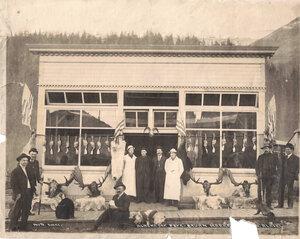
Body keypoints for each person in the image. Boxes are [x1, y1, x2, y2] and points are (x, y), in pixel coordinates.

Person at [9, 153, 35, 231]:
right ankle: (13, 227)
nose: (25, 162)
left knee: (26, 210)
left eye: (26, 160)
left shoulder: (28, 169)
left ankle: (23, 227)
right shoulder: (15, 171)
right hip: (20, 194)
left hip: (28, 192)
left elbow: (31, 180)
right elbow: (13, 183)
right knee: (17, 210)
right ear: (20, 161)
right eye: (23, 160)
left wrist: (33, 190)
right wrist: (18, 193)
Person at [275, 143, 299, 208]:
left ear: (292, 150)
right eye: (286, 149)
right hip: (282, 177)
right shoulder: (284, 158)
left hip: (290, 177)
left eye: (288, 149)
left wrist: (295, 176)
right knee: (280, 190)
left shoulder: (296, 158)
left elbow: (297, 168)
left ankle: (290, 205)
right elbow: (280, 166)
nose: (286, 151)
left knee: (290, 191)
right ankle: (280, 204)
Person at [255, 142, 277, 209]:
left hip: (270, 177)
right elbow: (257, 167)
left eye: (267, 148)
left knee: (269, 190)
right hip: (262, 176)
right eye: (264, 148)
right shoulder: (260, 157)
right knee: (260, 190)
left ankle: (268, 205)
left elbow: (277, 166)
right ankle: (260, 204)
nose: (266, 149)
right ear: (263, 149)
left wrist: (274, 174)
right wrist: (258, 174)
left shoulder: (273, 157)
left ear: (269, 148)